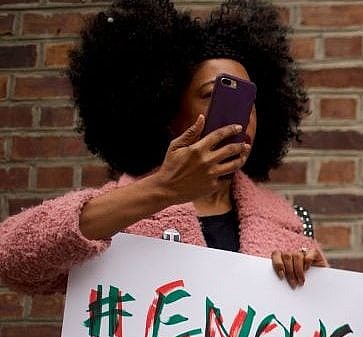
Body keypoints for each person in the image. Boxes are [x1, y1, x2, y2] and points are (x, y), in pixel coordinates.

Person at [0, 0, 324, 294]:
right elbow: (11, 257)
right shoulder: (117, 216)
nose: (241, 116)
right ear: (168, 113)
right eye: (212, 95)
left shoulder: (292, 224)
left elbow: (318, 326)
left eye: (248, 100)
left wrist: (315, 284)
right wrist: (164, 189)